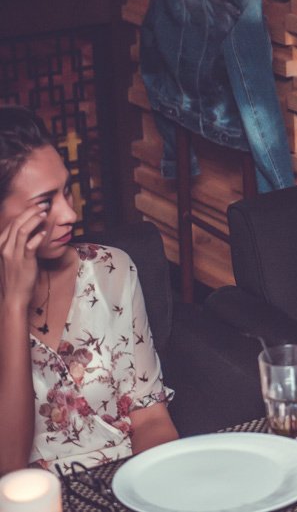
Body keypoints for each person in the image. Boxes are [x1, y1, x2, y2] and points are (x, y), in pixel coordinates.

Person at [0, 107, 178, 475]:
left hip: (128, 481)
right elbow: (8, 469)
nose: (70, 213)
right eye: (45, 203)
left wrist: (163, 488)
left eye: (66, 190)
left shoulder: (110, 270)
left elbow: (150, 418)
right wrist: (15, 305)